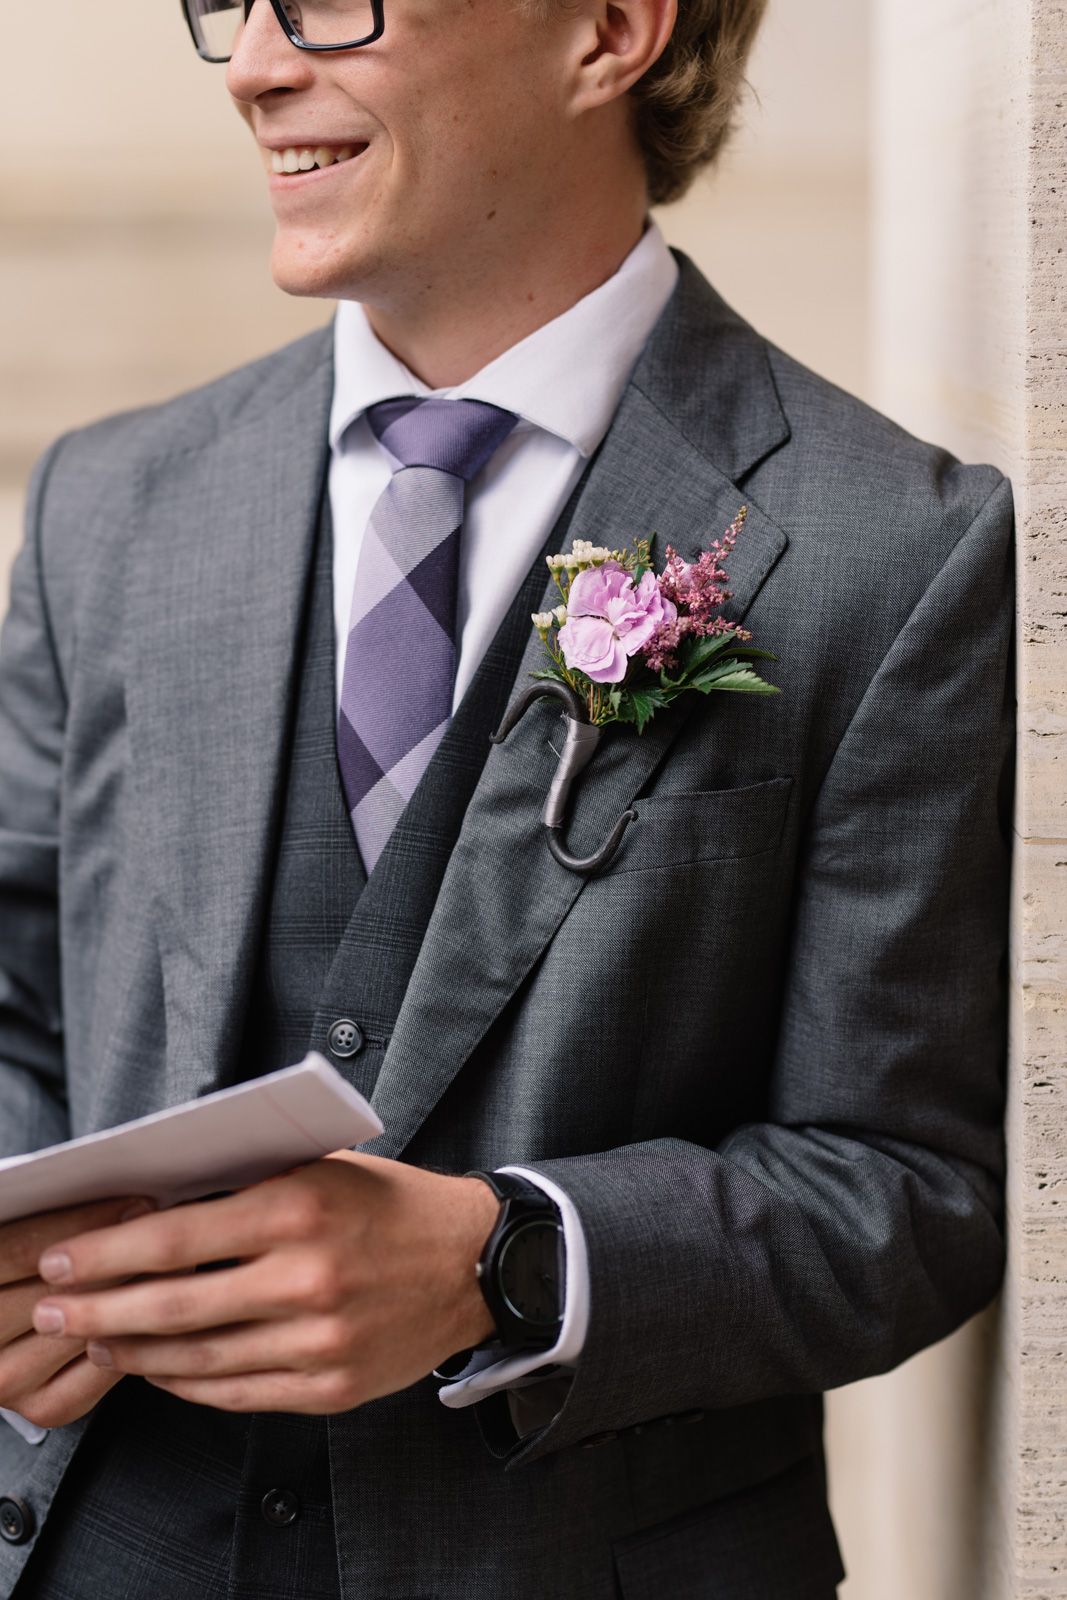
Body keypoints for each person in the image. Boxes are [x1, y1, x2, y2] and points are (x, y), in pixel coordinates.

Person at [0, 0, 1013, 1592]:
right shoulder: (106, 505)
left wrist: (511, 1259)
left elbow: (915, 1187)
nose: (258, 63)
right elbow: (15, 1008)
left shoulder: (894, 548)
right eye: (233, 5)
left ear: (608, 32)